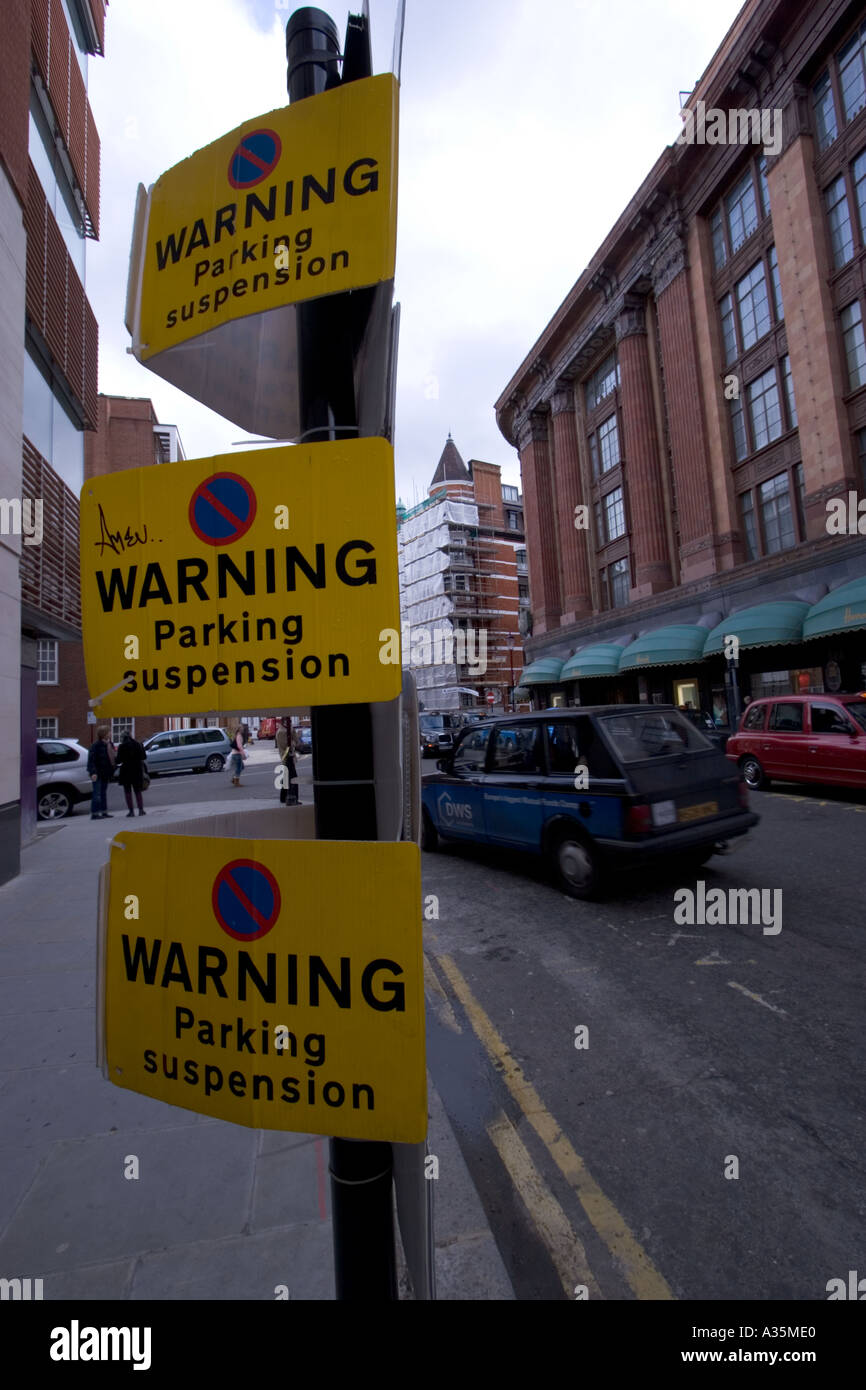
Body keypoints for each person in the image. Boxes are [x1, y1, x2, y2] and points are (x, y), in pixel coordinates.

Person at [116, 731, 147, 817]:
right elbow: (144, 757)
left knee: (127, 792)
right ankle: (141, 810)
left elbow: (118, 760)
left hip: (126, 771)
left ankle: (131, 811)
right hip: (137, 770)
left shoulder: (121, 746)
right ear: (130, 736)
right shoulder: (138, 744)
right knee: (137, 791)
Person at [87, 727, 115, 819]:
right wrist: (93, 772)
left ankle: (104, 812)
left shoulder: (109, 744)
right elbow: (91, 760)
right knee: (97, 794)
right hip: (97, 773)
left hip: (105, 773)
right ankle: (95, 813)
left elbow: (112, 758)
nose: (110, 733)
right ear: (104, 734)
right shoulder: (96, 745)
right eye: (109, 732)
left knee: (103, 793)